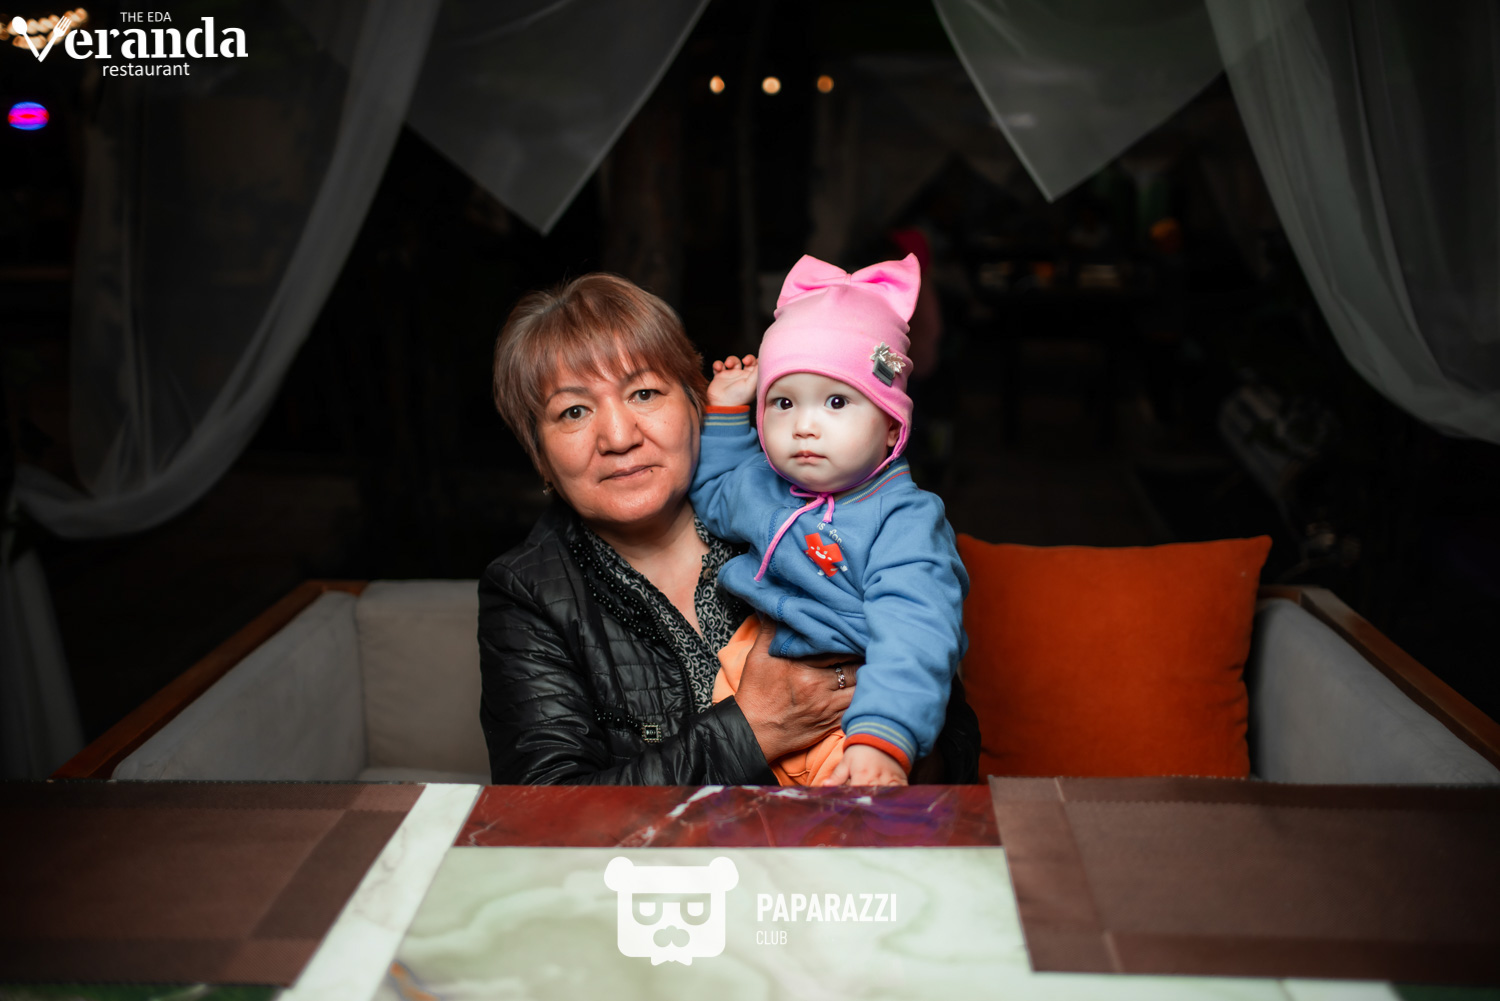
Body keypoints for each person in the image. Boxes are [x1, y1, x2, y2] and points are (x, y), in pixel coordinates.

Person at [480, 272, 980, 784]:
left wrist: (885, 748)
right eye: (574, 411)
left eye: (644, 393)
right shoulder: (526, 592)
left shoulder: (807, 498)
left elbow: (952, 726)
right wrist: (754, 728)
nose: (619, 436)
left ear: (695, 402)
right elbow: (545, 804)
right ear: (539, 455)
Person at [692, 254, 968, 787]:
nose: (804, 426)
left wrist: (883, 735)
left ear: (892, 427)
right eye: (783, 402)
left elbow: (916, 630)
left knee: (848, 818)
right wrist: (724, 415)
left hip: (852, 708)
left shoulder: (903, 519)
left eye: (836, 401)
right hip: (750, 687)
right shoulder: (762, 485)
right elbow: (714, 493)